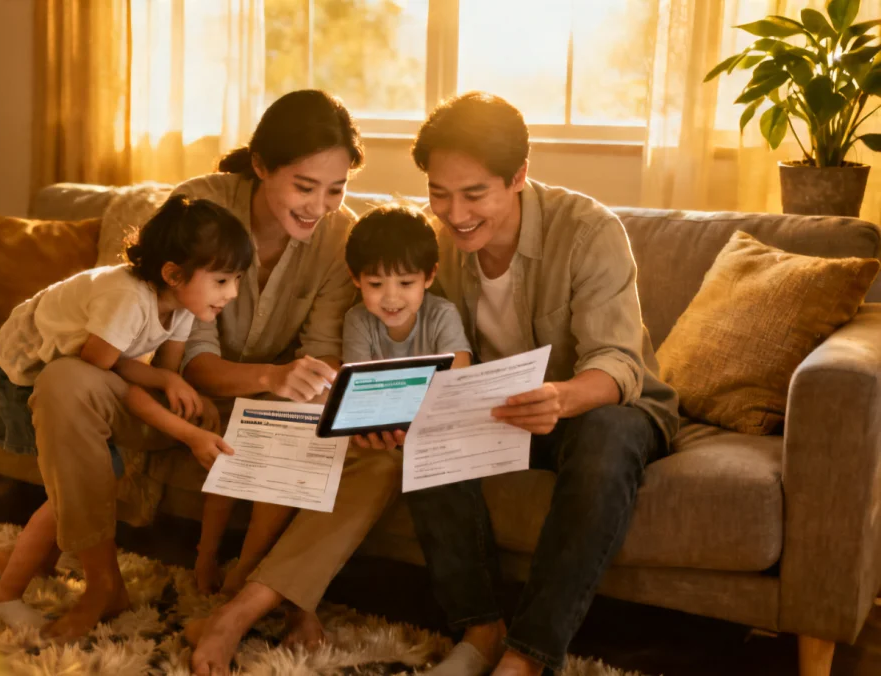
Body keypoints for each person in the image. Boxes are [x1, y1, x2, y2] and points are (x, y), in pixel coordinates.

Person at [407, 92, 680, 676]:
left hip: (597, 405)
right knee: (425, 432)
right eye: (439, 193)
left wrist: (560, 398)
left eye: (474, 194)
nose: (455, 213)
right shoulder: (436, 247)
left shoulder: (587, 230)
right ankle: (480, 631)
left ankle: (528, 656)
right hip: (501, 410)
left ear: (518, 177)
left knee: (607, 436)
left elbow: (617, 362)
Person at [180, 90, 400, 676]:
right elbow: (192, 359)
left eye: (336, 190)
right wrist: (271, 378)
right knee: (291, 425)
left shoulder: (340, 235)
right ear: (260, 165)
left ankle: (245, 601)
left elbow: (323, 350)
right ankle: (293, 601)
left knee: (376, 456)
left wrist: (310, 389)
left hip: (276, 395)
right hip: (199, 391)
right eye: (305, 187)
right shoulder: (199, 209)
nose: (319, 206)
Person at [0, 196, 252, 632]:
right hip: (23, 374)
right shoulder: (125, 298)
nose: (232, 293)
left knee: (83, 481)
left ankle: (22, 559)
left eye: (237, 279)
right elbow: (105, 373)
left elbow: (151, 381)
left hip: (84, 370)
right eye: (222, 280)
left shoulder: (183, 307)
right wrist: (182, 421)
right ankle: (4, 598)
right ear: (173, 274)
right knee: (77, 485)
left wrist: (177, 389)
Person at [341, 204, 472, 369]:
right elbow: (358, 382)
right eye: (376, 284)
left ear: (430, 275)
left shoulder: (442, 315)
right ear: (355, 278)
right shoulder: (358, 321)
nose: (391, 297)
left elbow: (458, 376)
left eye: (406, 283)